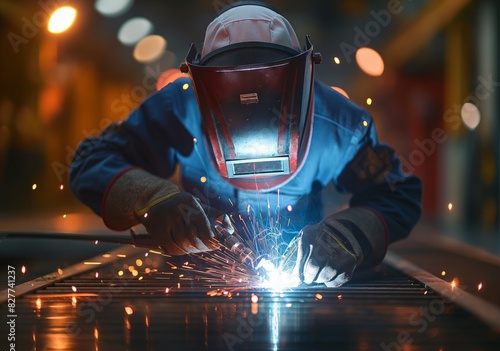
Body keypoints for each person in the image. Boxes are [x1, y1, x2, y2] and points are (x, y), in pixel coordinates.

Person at [69, 1, 422, 287]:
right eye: (232, 98)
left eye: (267, 93)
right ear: (205, 89)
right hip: (200, 286)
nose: (250, 113)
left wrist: (348, 236)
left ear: (300, 80)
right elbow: (91, 162)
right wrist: (154, 199)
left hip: (309, 287)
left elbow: (397, 193)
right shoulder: (181, 107)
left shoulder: (336, 124)